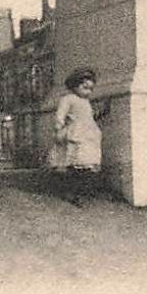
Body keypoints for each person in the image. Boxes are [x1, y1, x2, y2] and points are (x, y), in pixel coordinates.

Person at [49, 68, 104, 204]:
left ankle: (82, 190)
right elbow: (60, 115)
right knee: (74, 162)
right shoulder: (68, 99)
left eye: (90, 89)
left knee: (87, 162)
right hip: (76, 133)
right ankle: (72, 191)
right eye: (85, 87)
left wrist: (102, 112)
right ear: (75, 85)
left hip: (89, 134)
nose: (88, 92)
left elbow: (88, 117)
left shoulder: (86, 102)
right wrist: (58, 127)